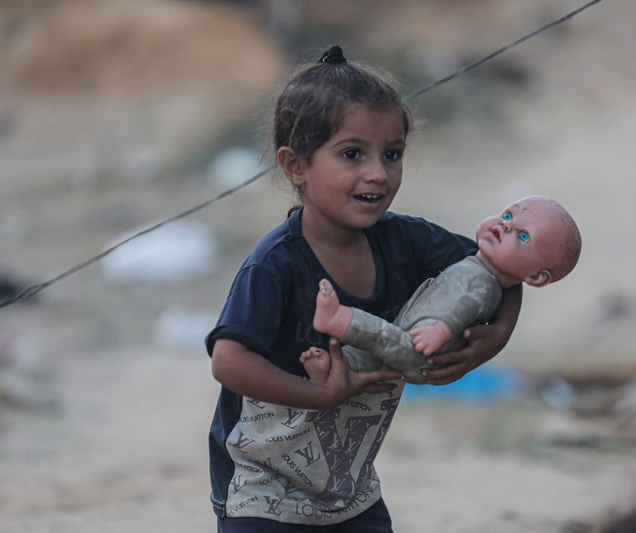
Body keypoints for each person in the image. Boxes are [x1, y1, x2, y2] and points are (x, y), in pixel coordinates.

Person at [205, 45, 522, 531]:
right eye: (352, 154)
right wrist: (322, 396)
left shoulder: (407, 242)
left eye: (391, 153)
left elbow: (503, 266)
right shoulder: (276, 265)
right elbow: (229, 361)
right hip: (261, 490)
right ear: (295, 167)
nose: (378, 172)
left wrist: (497, 334)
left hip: (348, 491)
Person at [301, 195, 581, 384]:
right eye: (507, 214)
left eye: (523, 236)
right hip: (417, 335)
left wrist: (442, 330)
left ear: (536, 276)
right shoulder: (468, 258)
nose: (505, 225)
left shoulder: (486, 284)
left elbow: (465, 306)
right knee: (377, 357)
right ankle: (332, 370)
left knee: (382, 338)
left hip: (425, 349)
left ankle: (340, 320)